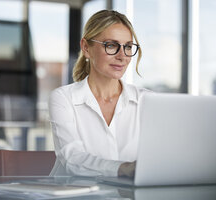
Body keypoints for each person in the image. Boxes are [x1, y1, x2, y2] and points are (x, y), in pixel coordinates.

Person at [49, 10, 148, 178]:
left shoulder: (147, 100)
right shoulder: (63, 98)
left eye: (128, 47)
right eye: (111, 45)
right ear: (86, 48)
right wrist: (123, 168)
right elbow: (73, 158)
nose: (122, 56)